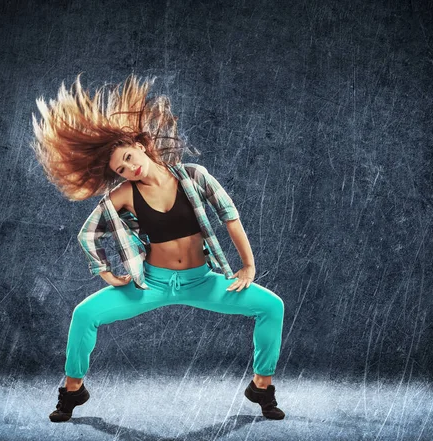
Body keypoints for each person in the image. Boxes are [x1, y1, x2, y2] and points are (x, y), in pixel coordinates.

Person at [31, 74, 286, 422]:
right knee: (84, 315)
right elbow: (88, 233)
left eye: (128, 157)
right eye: (121, 169)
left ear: (141, 143)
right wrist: (106, 273)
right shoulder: (123, 195)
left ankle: (261, 386)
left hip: (202, 281)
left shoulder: (193, 176)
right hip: (152, 283)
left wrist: (248, 266)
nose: (129, 168)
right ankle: (73, 391)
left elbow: (230, 216)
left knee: (272, 307)